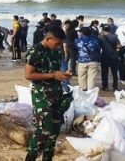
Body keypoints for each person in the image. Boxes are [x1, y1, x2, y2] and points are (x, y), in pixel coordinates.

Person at [25, 26, 73, 161]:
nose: (58, 46)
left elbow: (54, 71)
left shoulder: (55, 51)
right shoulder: (35, 51)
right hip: (42, 97)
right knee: (43, 132)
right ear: (48, 38)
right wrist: (53, 75)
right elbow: (29, 75)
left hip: (56, 95)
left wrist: (63, 75)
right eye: (57, 43)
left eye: (60, 44)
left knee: (54, 133)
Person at [74, 27, 101, 91]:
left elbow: (75, 49)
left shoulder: (77, 41)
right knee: (91, 78)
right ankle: (90, 91)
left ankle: (83, 90)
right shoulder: (95, 40)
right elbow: (98, 50)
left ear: (82, 33)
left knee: (81, 77)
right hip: (93, 61)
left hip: (82, 61)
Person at [98, 24, 120, 91]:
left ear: (103, 30)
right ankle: (115, 87)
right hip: (114, 56)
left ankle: (105, 86)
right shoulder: (115, 36)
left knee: (104, 72)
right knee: (114, 72)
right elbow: (119, 46)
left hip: (104, 56)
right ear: (110, 29)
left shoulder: (100, 37)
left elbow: (98, 48)